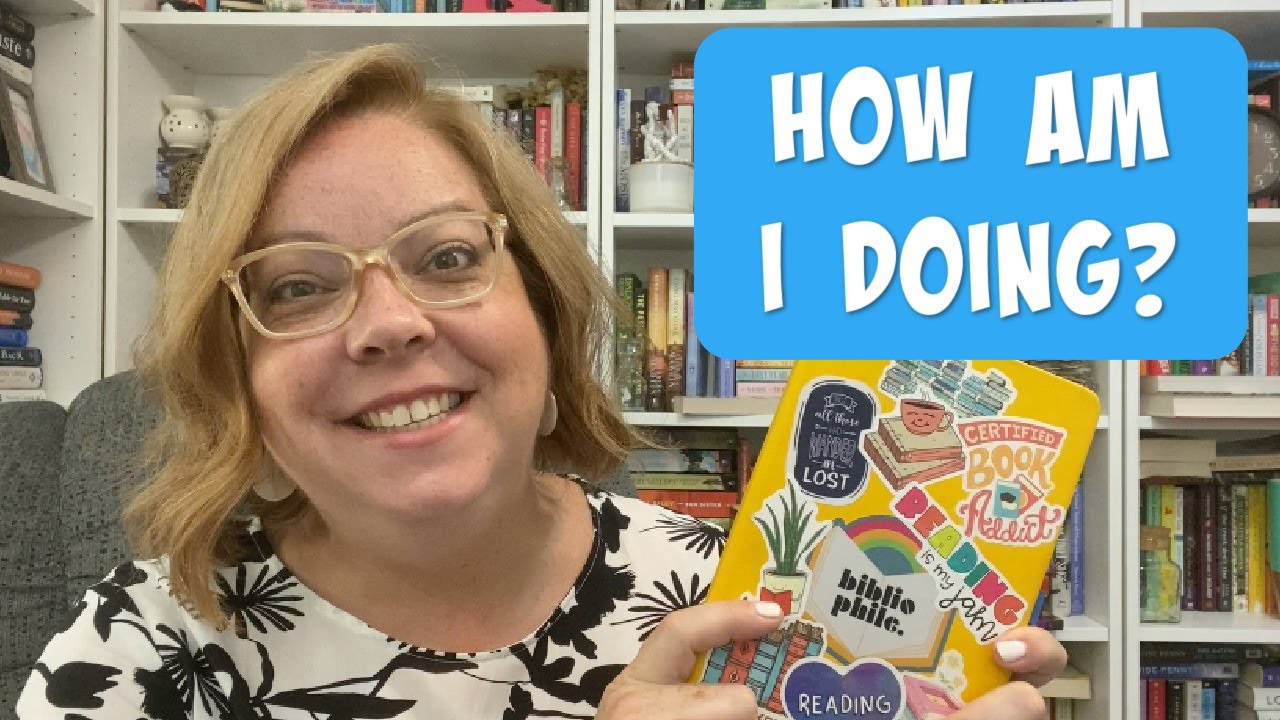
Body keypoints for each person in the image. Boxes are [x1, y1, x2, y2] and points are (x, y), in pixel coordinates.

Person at [17, 44, 1064, 720]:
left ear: (544, 314)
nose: (390, 322)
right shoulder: (140, 648)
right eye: (297, 286)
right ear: (234, 376)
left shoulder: (744, 605)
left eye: (446, 257)